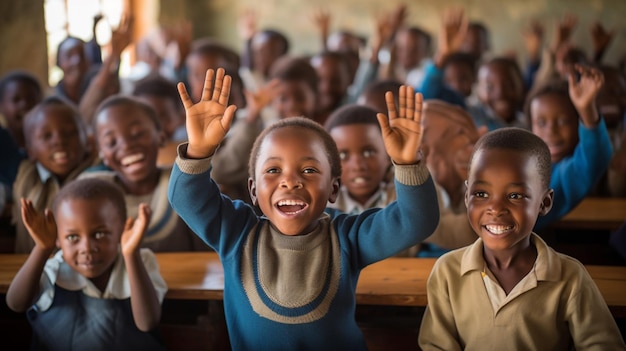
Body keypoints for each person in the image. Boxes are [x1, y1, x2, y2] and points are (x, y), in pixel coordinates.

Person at [168, 68, 439, 349]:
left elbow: (416, 219)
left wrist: (408, 164)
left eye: (309, 170)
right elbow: (187, 199)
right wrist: (199, 150)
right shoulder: (237, 234)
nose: (290, 181)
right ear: (253, 190)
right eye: (273, 170)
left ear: (333, 189)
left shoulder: (347, 238)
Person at [418, 127, 625, 350]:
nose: (495, 209)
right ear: (467, 196)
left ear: (545, 203)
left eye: (515, 196)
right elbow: (435, 345)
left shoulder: (568, 277)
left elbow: (602, 345)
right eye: (481, 194)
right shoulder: (447, 272)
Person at [6, 178, 167, 350]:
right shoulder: (55, 268)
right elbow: (16, 304)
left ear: (121, 230)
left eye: (99, 234)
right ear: (58, 238)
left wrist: (131, 254)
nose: (87, 248)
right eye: (72, 237)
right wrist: (42, 248)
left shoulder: (140, 260)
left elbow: (147, 323)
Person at [82, 95, 208, 252]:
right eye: (111, 142)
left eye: (137, 134)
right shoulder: (91, 194)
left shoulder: (185, 185)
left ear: (160, 137)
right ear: (102, 154)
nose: (126, 146)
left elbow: (207, 255)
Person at [526, 65, 613, 230]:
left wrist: (587, 110)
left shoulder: (568, 171)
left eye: (563, 121)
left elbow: (594, 158)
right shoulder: (527, 167)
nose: (551, 131)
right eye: (541, 123)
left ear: (578, 123)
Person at [13, 96, 96, 253]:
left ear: (87, 141)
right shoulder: (25, 177)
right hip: (30, 269)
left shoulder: (99, 178)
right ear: (30, 150)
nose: (59, 141)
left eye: (70, 133)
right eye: (46, 136)